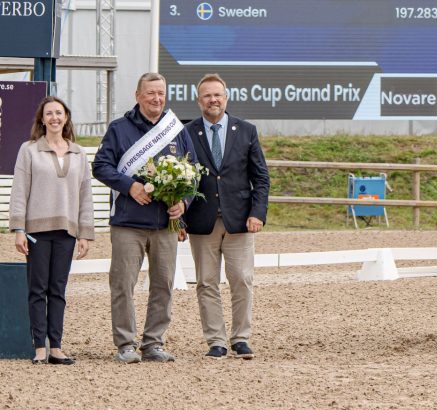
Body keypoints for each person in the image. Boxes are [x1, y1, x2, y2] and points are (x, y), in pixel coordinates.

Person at [92, 72, 197, 363]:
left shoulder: (176, 130)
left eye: (161, 93)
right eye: (150, 93)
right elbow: (100, 166)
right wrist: (131, 186)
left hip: (165, 223)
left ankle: (153, 343)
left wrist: (184, 204)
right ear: (138, 96)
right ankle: (125, 343)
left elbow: (194, 174)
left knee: (163, 284)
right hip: (128, 223)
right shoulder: (119, 129)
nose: (156, 98)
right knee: (123, 284)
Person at [182, 74, 270, 360]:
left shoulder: (246, 131)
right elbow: (180, 178)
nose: (213, 100)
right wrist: (179, 217)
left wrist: (257, 213)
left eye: (217, 95)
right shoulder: (186, 133)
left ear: (226, 97)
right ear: (199, 101)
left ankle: (241, 338)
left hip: (240, 220)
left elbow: (261, 177)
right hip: (201, 221)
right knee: (206, 282)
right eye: (207, 96)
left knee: (242, 279)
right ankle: (216, 341)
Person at [9, 96, 93, 365]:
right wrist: (19, 229)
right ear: (42, 119)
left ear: (66, 117)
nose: (55, 117)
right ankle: (39, 348)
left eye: (59, 113)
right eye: (49, 114)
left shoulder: (78, 153)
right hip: (37, 231)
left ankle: (56, 346)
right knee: (37, 289)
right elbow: (19, 191)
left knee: (58, 289)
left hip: (66, 232)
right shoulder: (29, 150)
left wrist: (85, 233)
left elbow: (85, 195)